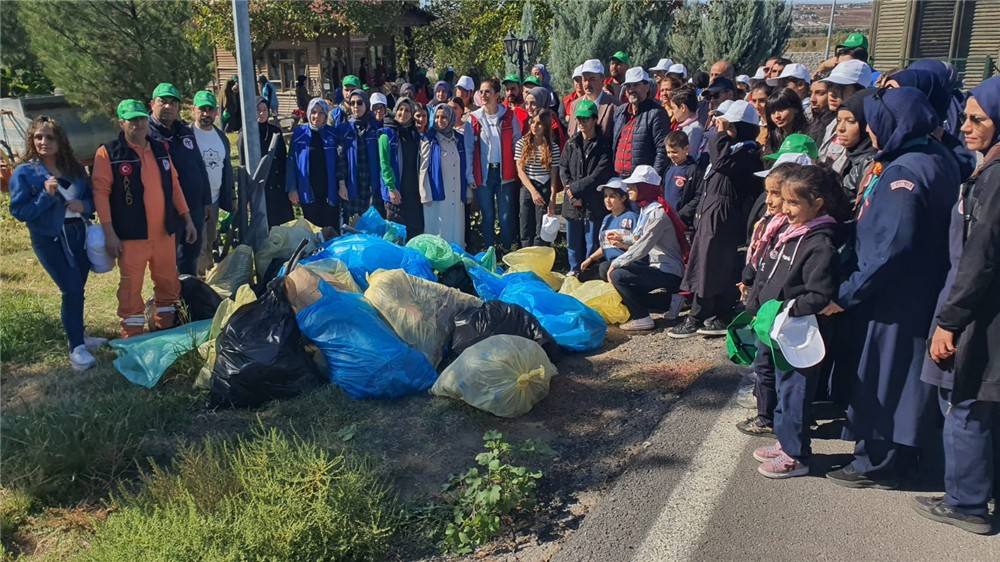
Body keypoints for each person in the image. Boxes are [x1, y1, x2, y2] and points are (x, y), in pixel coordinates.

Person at [823, 87, 961, 490]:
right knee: (905, 377)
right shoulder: (938, 157)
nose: (870, 131)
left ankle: (875, 460)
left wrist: (846, 294)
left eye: (875, 123)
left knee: (884, 375)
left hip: (894, 295)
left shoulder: (905, 172)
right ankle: (904, 455)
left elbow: (891, 247)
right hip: (922, 287)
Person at [915, 76, 1000, 534]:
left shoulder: (995, 178)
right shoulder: (985, 169)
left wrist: (949, 321)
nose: (964, 126)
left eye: (977, 119)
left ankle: (966, 502)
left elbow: (979, 258)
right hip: (981, 308)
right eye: (965, 117)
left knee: (965, 402)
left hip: (977, 314)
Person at [749, 164, 849, 478]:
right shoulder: (793, 233)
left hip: (801, 331)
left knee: (796, 393)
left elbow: (819, 295)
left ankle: (797, 456)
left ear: (817, 203)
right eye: (785, 201)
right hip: (780, 327)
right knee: (783, 387)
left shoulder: (820, 242)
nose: (786, 209)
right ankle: (785, 442)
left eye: (794, 203)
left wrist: (787, 309)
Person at [92, 99, 197, 337]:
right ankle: (133, 335)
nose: (138, 124)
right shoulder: (108, 153)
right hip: (131, 235)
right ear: (121, 123)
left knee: (168, 282)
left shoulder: (160, 149)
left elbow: (174, 185)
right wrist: (109, 233)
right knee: (131, 287)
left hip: (163, 233)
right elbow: (100, 193)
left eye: (141, 118)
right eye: (132, 120)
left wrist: (187, 218)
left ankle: (165, 327)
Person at [9, 116, 103, 370]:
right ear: (31, 140)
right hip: (50, 239)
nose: (43, 142)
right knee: (70, 288)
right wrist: (45, 196)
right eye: (38, 137)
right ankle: (76, 349)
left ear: (60, 140)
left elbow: (91, 199)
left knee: (78, 289)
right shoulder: (25, 172)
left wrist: (84, 205)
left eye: (49, 137)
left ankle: (80, 335)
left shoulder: (73, 168)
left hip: (78, 233)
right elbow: (19, 211)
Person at [672, 100, 763, 338]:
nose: (721, 127)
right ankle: (707, 313)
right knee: (704, 265)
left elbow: (722, 164)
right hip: (711, 213)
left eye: (729, 124)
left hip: (725, 218)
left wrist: (721, 134)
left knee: (714, 267)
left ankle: (702, 315)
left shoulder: (747, 152)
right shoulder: (733, 149)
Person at [737, 159, 807, 436]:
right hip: (761, 299)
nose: (769, 200)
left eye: (776, 194)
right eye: (767, 193)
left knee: (768, 362)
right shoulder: (771, 224)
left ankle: (767, 416)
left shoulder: (788, 229)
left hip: (774, 306)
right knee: (761, 359)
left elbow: (773, 267)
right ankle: (766, 408)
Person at [608, 165, 687, 331]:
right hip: (656, 267)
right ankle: (667, 301)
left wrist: (616, 263)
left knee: (618, 275)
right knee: (606, 270)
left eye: (633, 186)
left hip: (668, 271)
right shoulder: (647, 208)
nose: (628, 189)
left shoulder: (657, 213)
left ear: (644, 188)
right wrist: (623, 238)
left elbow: (643, 247)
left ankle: (642, 317)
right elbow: (639, 238)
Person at [147, 83, 211, 277]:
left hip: (195, 207)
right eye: (163, 101)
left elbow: (200, 165)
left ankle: (188, 296)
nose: (168, 106)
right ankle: (169, 301)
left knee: (190, 256)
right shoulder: (147, 135)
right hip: (167, 211)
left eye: (173, 103)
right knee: (168, 260)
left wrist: (206, 199)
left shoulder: (184, 131)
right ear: (152, 104)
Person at [561, 99, 613, 274]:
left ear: (594, 119)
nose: (581, 122)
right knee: (573, 242)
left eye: (585, 118)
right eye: (579, 119)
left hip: (593, 201)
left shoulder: (604, 145)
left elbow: (599, 175)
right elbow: (563, 168)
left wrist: (574, 189)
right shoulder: (571, 143)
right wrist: (571, 193)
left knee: (592, 242)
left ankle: (590, 274)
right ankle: (573, 271)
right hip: (572, 201)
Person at [470, 77, 523, 250]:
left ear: (496, 95)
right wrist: (470, 174)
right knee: (487, 213)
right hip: (484, 173)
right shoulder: (475, 118)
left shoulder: (508, 115)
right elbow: (470, 147)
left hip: (504, 172)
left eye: (488, 92)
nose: (484, 95)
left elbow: (517, 141)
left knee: (505, 214)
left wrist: (517, 166)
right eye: (481, 92)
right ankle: (489, 249)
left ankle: (506, 248)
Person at [190, 90, 234, 276]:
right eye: (202, 109)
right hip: (194, 201)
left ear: (216, 112)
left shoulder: (221, 137)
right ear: (193, 110)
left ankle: (209, 275)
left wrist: (231, 197)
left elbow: (227, 169)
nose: (206, 114)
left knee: (210, 240)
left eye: (210, 110)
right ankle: (197, 278)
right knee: (196, 243)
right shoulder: (187, 136)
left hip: (214, 199)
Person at [287, 98, 341, 235]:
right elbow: (292, 161)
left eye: (321, 113)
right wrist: (292, 188)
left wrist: (342, 184)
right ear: (308, 113)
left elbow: (340, 161)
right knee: (313, 232)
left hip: (329, 190)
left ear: (326, 115)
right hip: (308, 190)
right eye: (313, 112)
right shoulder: (300, 133)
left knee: (331, 231)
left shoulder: (332, 133)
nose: (317, 116)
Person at [239, 97, 293, 228]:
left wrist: (289, 187)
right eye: (258, 110)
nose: (262, 113)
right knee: (264, 226)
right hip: (260, 187)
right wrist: (245, 196)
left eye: (264, 110)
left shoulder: (275, 131)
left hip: (278, 186)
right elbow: (243, 166)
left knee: (283, 227)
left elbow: (282, 159)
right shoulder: (245, 134)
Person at [420, 104, 470, 246]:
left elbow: (465, 165)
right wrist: (425, 193)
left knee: (456, 229)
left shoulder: (459, 139)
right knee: (438, 229)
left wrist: (467, 190)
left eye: (444, 117)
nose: (439, 120)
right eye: (436, 117)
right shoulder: (428, 139)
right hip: (436, 193)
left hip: (456, 192)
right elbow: (423, 167)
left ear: (451, 119)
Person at [612, 67, 669, 179]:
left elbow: (662, 151)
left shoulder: (657, 113)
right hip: (619, 178)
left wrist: (652, 178)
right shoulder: (620, 112)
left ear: (647, 87)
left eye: (636, 85)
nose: (631, 89)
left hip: (642, 180)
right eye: (628, 86)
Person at [378, 97, 424, 237]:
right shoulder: (386, 134)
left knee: (414, 232)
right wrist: (391, 188)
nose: (403, 113)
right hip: (396, 192)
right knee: (397, 234)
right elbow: (384, 164)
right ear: (395, 110)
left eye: (407, 110)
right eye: (400, 109)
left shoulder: (414, 134)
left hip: (413, 192)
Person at [514, 109, 560, 248]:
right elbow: (520, 171)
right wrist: (533, 191)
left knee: (541, 225)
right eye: (532, 122)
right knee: (526, 223)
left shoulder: (553, 147)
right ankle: (525, 253)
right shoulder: (522, 144)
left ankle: (539, 254)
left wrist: (552, 197)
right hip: (528, 186)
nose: (535, 126)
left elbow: (553, 173)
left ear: (546, 126)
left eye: (539, 123)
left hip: (544, 185)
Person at [579, 178, 637, 282]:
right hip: (609, 263)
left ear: (623, 198)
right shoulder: (607, 219)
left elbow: (640, 245)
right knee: (584, 275)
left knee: (603, 268)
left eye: (612, 196)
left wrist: (623, 245)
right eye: (605, 196)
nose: (607, 200)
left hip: (626, 263)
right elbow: (605, 245)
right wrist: (590, 259)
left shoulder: (632, 217)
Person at [337, 89, 382, 221]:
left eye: (359, 102)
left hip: (371, 182)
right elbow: (340, 159)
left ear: (366, 104)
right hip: (353, 182)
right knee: (353, 223)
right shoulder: (344, 129)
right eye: (352, 103)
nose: (356, 106)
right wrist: (342, 184)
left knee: (372, 223)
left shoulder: (375, 127)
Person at [818, 60, 873, 163]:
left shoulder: (867, 130)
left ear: (860, 91)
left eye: (840, 87)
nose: (832, 93)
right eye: (830, 86)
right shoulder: (831, 122)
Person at [831, 89, 876, 196]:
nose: (840, 128)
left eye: (850, 121)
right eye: (838, 120)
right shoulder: (851, 155)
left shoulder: (870, 163)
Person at [568, 59, 620, 143]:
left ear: (602, 80)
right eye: (584, 79)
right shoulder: (575, 105)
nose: (587, 84)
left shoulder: (614, 106)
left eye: (592, 79)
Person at [662, 131, 701, 221]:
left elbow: (698, 196)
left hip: (682, 221)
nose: (671, 155)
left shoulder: (693, 170)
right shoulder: (669, 168)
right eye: (668, 152)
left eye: (675, 152)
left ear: (686, 149)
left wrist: (681, 214)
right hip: (667, 218)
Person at [764, 88, 809, 156]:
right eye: (772, 112)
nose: (777, 116)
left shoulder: (809, 136)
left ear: (795, 109)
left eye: (781, 109)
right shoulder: (773, 139)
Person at [668, 89, 704, 160]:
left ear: (683, 108)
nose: (672, 112)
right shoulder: (684, 127)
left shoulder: (694, 129)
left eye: (673, 108)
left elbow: (690, 156)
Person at [807, 76, 836, 146]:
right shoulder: (809, 119)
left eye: (820, 93)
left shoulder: (837, 123)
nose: (812, 99)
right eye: (810, 93)